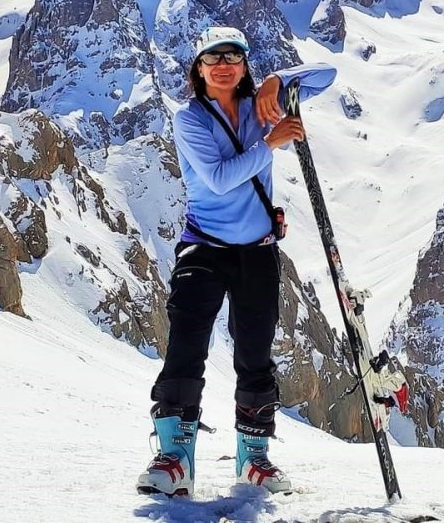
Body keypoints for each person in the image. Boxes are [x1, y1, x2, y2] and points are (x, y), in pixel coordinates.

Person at [137, 26, 337, 498]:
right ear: (199, 68)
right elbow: (220, 179)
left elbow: (327, 74)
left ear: (244, 64)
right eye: (213, 58)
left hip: (258, 250)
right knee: (186, 345)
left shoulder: (259, 106)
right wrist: (270, 144)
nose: (223, 65)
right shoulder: (190, 119)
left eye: (233, 56)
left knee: (255, 353)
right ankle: (174, 458)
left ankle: (254, 459)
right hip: (205, 247)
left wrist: (278, 80)